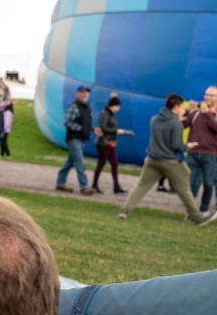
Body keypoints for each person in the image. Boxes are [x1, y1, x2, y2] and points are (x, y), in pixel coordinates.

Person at [119, 94, 217, 225]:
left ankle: (124, 211)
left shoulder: (155, 119)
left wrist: (186, 113)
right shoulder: (176, 124)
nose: (183, 108)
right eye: (182, 106)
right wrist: (187, 146)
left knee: (141, 186)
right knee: (185, 190)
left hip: (152, 159)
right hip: (169, 162)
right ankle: (198, 217)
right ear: (176, 107)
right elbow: (177, 146)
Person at [54, 85, 95, 194]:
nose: (85, 94)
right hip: (74, 139)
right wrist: (81, 129)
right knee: (79, 162)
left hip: (82, 139)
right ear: (78, 93)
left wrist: (93, 129)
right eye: (82, 92)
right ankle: (84, 186)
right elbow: (67, 122)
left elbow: (85, 123)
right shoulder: (74, 107)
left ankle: (60, 183)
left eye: (86, 92)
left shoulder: (86, 107)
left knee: (70, 162)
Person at [91, 94, 132, 194]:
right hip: (102, 144)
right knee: (101, 164)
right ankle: (94, 184)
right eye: (117, 106)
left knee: (115, 163)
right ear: (112, 106)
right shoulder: (104, 114)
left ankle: (116, 186)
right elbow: (103, 128)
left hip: (110, 143)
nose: (118, 109)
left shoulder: (111, 115)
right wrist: (117, 131)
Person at [185, 86, 217, 214]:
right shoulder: (196, 113)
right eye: (206, 94)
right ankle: (191, 211)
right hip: (193, 153)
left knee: (209, 184)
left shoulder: (213, 114)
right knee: (191, 183)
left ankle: (204, 209)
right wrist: (187, 111)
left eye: (212, 95)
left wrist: (207, 114)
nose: (208, 97)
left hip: (210, 154)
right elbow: (183, 125)